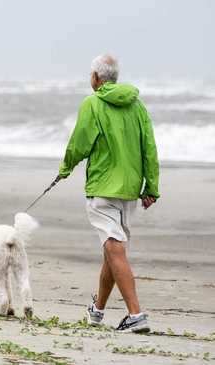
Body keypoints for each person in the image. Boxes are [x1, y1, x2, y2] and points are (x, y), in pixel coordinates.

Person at [58, 54, 159, 333]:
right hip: (128, 191)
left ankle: (136, 315)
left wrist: (64, 169)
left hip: (103, 189)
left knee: (114, 248)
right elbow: (149, 147)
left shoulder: (92, 103)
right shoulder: (137, 106)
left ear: (95, 78)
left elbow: (80, 142)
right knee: (112, 250)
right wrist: (151, 186)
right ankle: (98, 310)